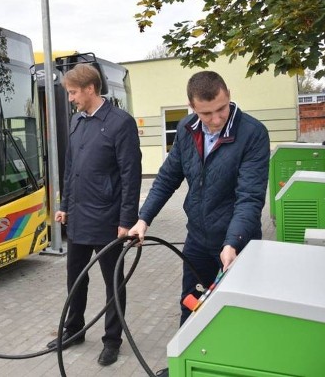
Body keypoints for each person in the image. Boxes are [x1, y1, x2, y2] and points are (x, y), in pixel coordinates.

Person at [126, 70, 269, 323]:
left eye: (221, 109)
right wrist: (143, 219)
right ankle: (186, 362)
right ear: (191, 107)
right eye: (206, 113)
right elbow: (168, 177)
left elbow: (249, 197)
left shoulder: (253, 133)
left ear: (229, 96)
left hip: (238, 242)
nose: (216, 119)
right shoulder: (186, 129)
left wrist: (232, 243)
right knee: (193, 305)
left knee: (236, 314)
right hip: (198, 240)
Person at [47, 63, 142, 366]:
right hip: (77, 216)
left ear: (90, 89)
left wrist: (126, 221)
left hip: (108, 220)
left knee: (113, 281)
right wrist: (64, 206)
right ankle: (74, 330)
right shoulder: (76, 121)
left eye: (73, 92)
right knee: (75, 278)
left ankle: (112, 340)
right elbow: (71, 168)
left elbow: (131, 174)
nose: (71, 98)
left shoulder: (120, 123)